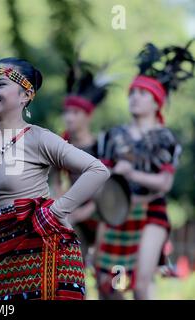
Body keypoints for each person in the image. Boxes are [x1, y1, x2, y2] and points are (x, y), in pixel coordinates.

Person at [0, 57, 110, 300]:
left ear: (25, 95)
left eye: (0, 84)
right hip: (1, 258)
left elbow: (97, 170)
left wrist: (57, 211)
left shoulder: (38, 138)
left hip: (50, 255)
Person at [94, 41, 194, 300]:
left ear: (156, 102)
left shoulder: (165, 138)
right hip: (115, 211)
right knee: (107, 286)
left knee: (140, 285)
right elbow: (100, 176)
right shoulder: (112, 136)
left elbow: (165, 183)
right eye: (132, 93)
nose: (134, 98)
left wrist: (131, 173)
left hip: (151, 210)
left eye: (142, 93)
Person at [53, 58, 113, 263]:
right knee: (72, 266)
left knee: (103, 274)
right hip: (73, 211)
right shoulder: (63, 144)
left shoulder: (102, 146)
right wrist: (65, 206)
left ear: (88, 116)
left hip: (102, 213)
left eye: (75, 113)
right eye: (66, 112)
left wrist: (81, 213)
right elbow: (57, 180)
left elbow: (107, 189)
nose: (69, 118)